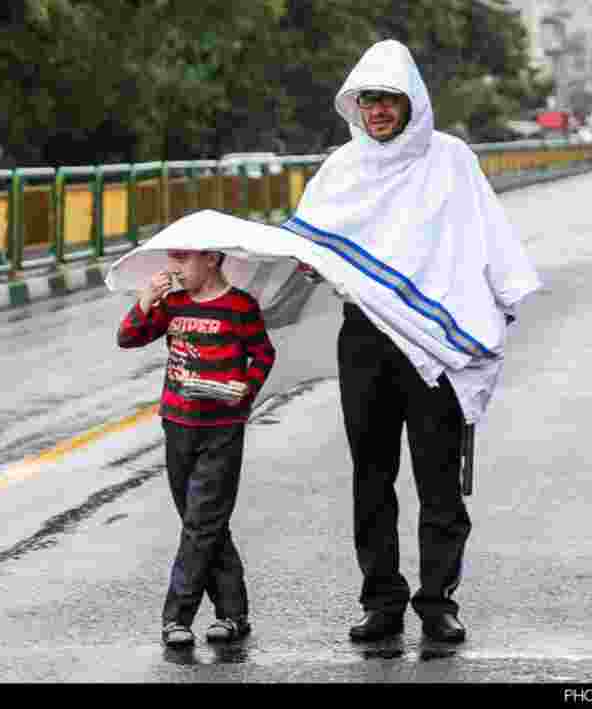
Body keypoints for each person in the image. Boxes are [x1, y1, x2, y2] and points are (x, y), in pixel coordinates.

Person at [284, 40, 542, 644]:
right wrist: (312, 265)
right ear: (356, 106)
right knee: (370, 476)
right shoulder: (340, 170)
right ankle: (381, 603)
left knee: (438, 480)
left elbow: (487, 238)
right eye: (368, 100)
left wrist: (494, 308)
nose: (377, 111)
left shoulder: (450, 160)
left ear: (411, 103)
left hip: (432, 344)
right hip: (364, 340)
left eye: (389, 100)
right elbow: (310, 247)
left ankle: (438, 602)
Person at [117, 249, 276, 648]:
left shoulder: (240, 306)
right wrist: (146, 299)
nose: (175, 269)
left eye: (183, 260)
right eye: (173, 260)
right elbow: (128, 337)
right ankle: (234, 614)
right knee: (201, 522)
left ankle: (177, 617)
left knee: (202, 522)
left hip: (222, 426)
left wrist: (247, 387)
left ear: (210, 259)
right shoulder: (173, 304)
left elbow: (263, 353)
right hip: (178, 422)